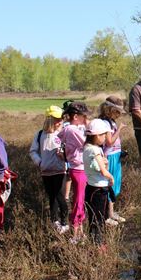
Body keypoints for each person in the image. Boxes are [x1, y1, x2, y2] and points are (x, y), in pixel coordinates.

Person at [29, 105, 69, 234]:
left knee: (60, 196)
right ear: (49, 119)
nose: (60, 122)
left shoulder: (63, 134)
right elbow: (33, 151)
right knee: (51, 196)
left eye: (61, 119)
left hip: (60, 170)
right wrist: (39, 162)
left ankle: (65, 222)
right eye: (57, 119)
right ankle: (54, 221)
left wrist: (63, 154)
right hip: (45, 171)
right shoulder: (40, 134)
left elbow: (70, 151)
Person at [58, 101, 90, 243]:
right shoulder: (73, 130)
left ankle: (80, 231)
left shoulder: (68, 129)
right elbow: (87, 144)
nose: (85, 119)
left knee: (80, 200)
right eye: (84, 116)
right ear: (76, 116)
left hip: (75, 167)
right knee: (78, 201)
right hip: (79, 169)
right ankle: (75, 233)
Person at [83, 119, 114, 251]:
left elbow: (95, 166)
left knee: (92, 216)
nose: (104, 138)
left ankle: (94, 242)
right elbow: (102, 170)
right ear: (96, 135)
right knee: (99, 217)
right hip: (99, 188)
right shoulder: (95, 150)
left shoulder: (86, 148)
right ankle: (99, 245)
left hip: (90, 187)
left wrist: (103, 162)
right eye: (103, 135)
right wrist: (111, 177)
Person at [98, 96, 128, 226]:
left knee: (115, 184)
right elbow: (109, 142)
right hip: (109, 157)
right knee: (109, 184)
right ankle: (107, 215)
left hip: (115, 155)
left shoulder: (112, 121)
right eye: (118, 111)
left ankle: (111, 212)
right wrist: (120, 129)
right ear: (110, 110)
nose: (120, 114)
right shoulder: (105, 123)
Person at [61, 100, 74, 204]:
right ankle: (66, 198)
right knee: (67, 176)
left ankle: (66, 197)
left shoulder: (65, 125)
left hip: (72, 153)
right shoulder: (64, 125)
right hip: (67, 154)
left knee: (69, 176)